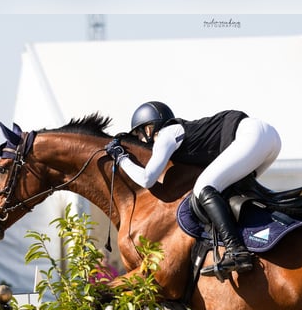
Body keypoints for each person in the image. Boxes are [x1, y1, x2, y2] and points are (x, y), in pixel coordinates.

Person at [105, 101, 282, 280]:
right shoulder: (180, 134)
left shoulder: (165, 135)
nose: (141, 140)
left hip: (251, 135)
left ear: (150, 128)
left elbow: (147, 179)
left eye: (140, 133)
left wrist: (121, 157)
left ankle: (236, 251)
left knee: (203, 187)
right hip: (270, 139)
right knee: (229, 189)